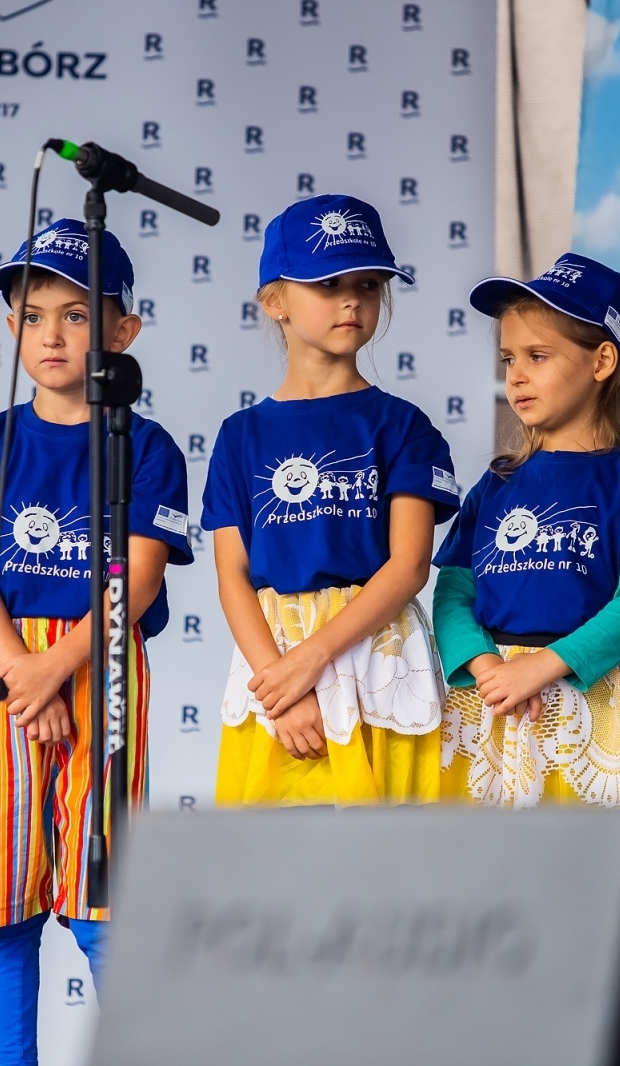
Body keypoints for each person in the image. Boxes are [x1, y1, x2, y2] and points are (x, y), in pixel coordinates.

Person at [0, 219, 192, 1066]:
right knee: (2, 901)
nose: (51, 334)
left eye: (76, 315)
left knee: (100, 898)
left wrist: (55, 670)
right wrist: (18, 673)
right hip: (0, 665)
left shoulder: (144, 446)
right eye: (33, 315)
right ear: (10, 329)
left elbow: (138, 580)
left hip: (100, 662)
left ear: (122, 331)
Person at [204, 194, 460, 806]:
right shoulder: (242, 434)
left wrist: (310, 660)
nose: (352, 299)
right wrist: (279, 683)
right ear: (275, 302)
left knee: (391, 863)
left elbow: (408, 565)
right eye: (327, 283)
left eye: (368, 284)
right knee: (278, 865)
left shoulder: (402, 425)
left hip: (376, 654)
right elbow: (232, 573)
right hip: (273, 663)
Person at [433, 253, 620, 808]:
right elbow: (453, 592)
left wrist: (544, 667)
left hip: (596, 698)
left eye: (537, 356)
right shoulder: (496, 483)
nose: (516, 375)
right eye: (508, 359)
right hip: (496, 700)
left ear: (601, 361)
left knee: (594, 876)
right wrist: (487, 667)